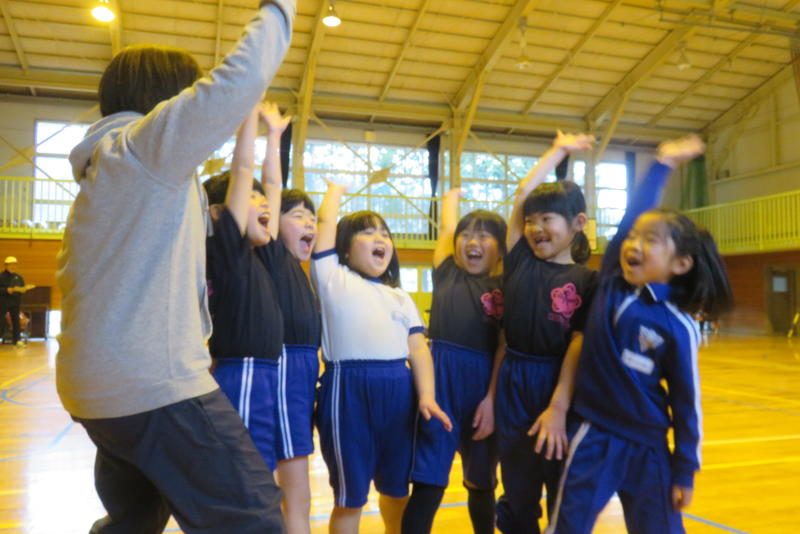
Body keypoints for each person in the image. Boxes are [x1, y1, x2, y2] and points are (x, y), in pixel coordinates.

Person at [54, 2, 295, 532]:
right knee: (254, 519)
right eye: (187, 92)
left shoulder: (110, 172)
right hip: (151, 383)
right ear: (165, 101)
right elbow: (240, 78)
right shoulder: (143, 151)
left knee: (137, 518)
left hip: (94, 389)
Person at [545, 135, 734, 534]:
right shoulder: (613, 281)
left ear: (680, 263)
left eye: (651, 240)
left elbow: (686, 402)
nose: (634, 243)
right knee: (566, 527)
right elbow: (634, 215)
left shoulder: (677, 324)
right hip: (593, 434)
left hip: (649, 446)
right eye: (633, 237)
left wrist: (684, 468)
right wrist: (663, 163)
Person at [311, 180, 452, 534]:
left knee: (396, 492)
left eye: (385, 234)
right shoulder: (332, 278)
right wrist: (334, 192)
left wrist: (427, 396)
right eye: (368, 232)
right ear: (344, 249)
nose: (381, 239)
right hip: (347, 392)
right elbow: (325, 227)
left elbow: (418, 350)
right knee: (350, 499)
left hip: (399, 395)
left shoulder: (400, 296)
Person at [494, 131, 599, 534]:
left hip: (560, 382)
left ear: (578, 224)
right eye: (530, 220)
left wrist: (558, 406)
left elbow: (579, 343)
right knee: (517, 488)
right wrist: (557, 151)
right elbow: (523, 192)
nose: (536, 227)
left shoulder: (587, 280)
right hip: (515, 379)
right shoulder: (520, 260)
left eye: (547, 219)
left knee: (561, 487)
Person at [401, 189, 506, 534]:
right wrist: (450, 198)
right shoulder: (447, 272)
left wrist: (491, 400)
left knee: (481, 482)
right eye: (467, 234)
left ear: (501, 248)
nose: (472, 241)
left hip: (483, 389)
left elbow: (504, 347)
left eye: (484, 235)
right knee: (429, 481)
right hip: (441, 382)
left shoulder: (507, 286)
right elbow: (446, 229)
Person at [203, 102, 287, 477]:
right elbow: (243, 169)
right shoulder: (226, 250)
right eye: (250, 198)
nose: (263, 201)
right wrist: (250, 111)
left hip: (265, 373)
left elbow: (274, 186)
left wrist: (276, 136)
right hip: (243, 372)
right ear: (220, 213)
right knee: (245, 472)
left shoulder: (261, 256)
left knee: (260, 470)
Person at [0, 256, 32, 347]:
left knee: (16, 321)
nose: (13, 266)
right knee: (0, 321)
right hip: (2, 302)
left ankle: (17, 340)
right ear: (6, 265)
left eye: (14, 264)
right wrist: (6, 290)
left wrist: (23, 290)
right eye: (10, 264)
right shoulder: (1, 276)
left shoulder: (19, 277)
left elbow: (22, 287)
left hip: (15, 302)